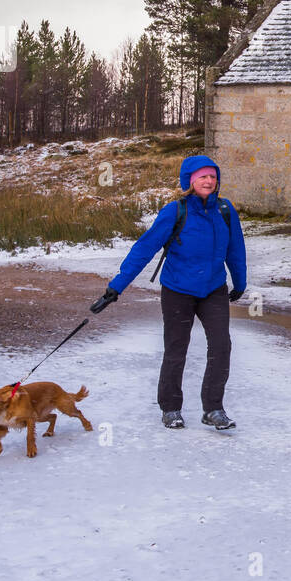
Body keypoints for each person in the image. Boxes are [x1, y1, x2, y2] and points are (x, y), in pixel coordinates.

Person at [91, 155, 247, 431]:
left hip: (213, 289)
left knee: (222, 346)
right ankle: (171, 408)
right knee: (177, 349)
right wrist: (116, 286)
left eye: (212, 176)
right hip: (178, 290)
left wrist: (240, 281)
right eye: (202, 176)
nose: (209, 181)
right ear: (189, 181)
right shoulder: (175, 211)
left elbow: (235, 247)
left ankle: (213, 408)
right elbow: (144, 248)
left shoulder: (225, 209)